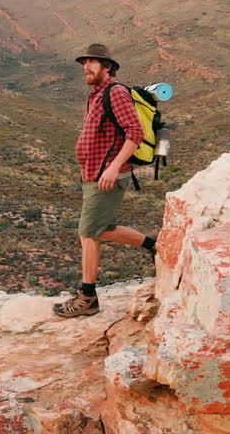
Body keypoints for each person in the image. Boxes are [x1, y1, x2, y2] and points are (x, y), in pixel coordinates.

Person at [53, 43, 157, 318]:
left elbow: (134, 133)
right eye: (83, 63)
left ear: (107, 66)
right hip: (93, 173)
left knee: (88, 233)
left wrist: (113, 168)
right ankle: (153, 245)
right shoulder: (95, 95)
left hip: (107, 175)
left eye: (91, 63)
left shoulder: (116, 92)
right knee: (102, 228)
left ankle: (87, 298)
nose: (85, 68)